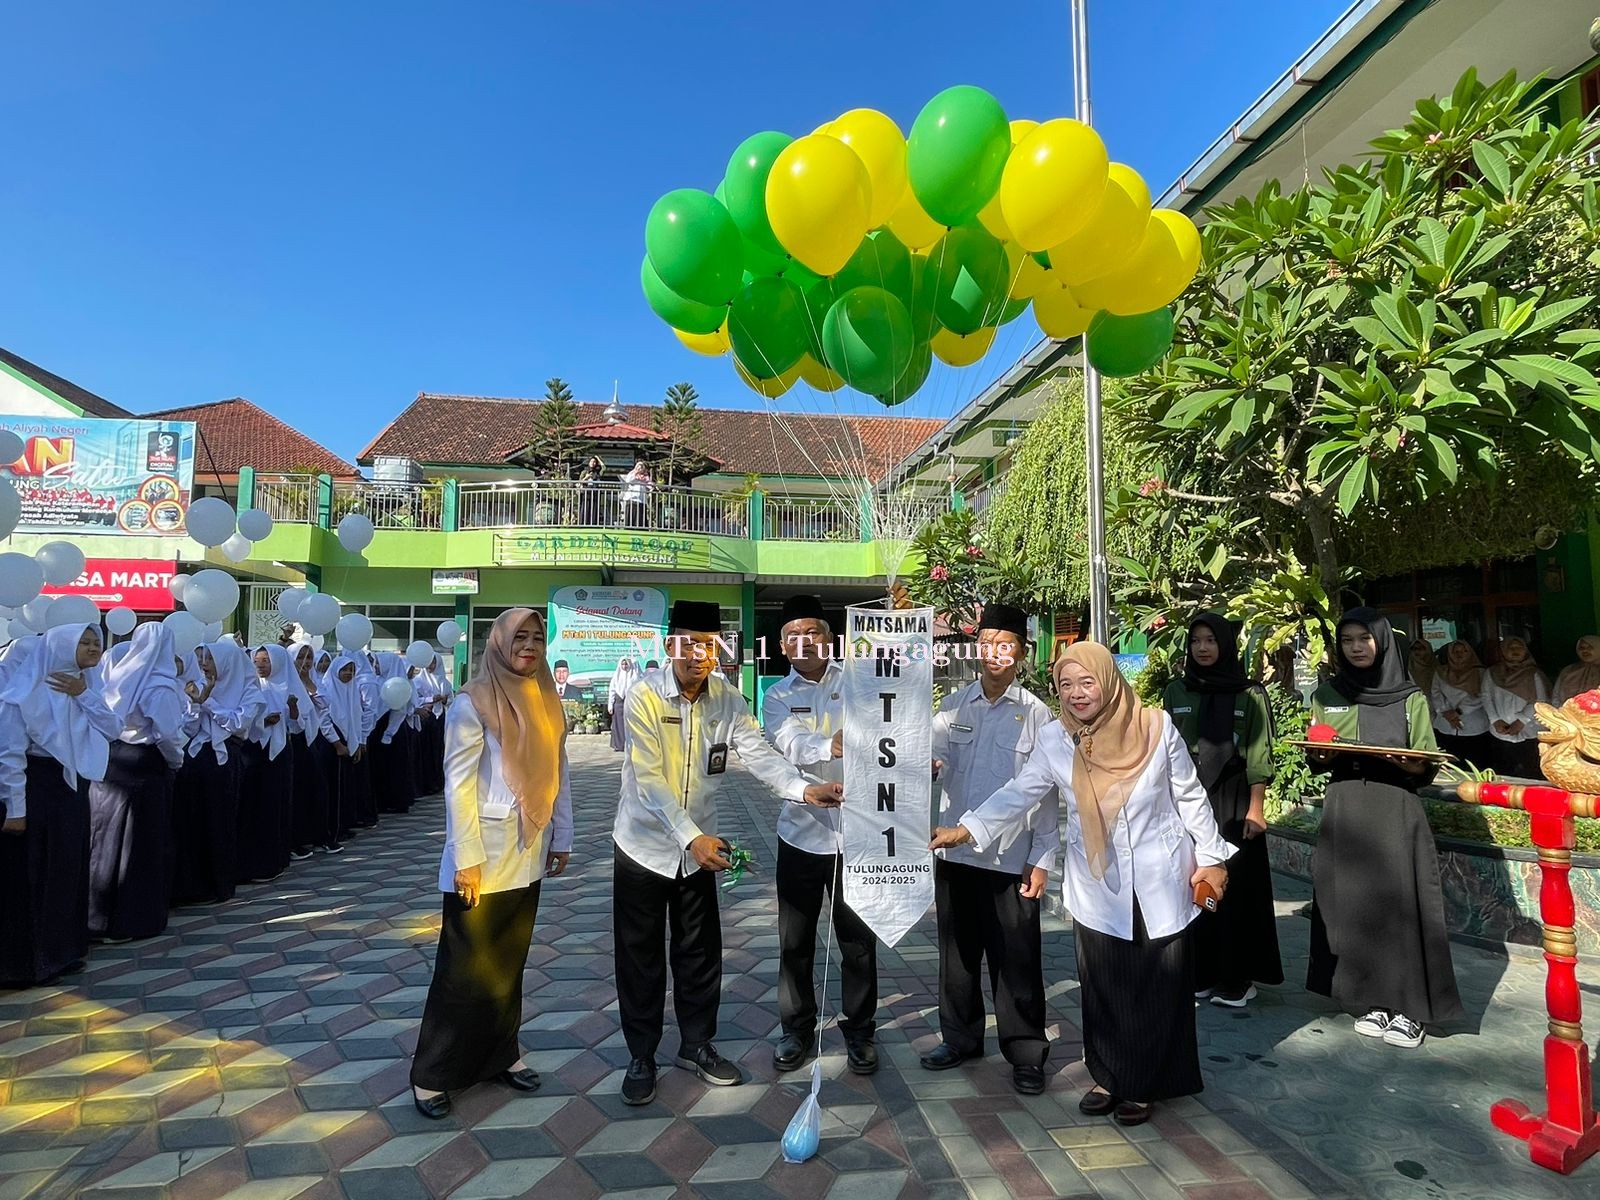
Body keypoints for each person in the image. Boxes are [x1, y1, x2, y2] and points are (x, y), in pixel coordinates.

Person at [931, 641, 1232, 1125]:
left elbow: (1191, 796)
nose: (1076, 693)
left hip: (1160, 875)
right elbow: (1020, 793)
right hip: (1099, 882)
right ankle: (1109, 1074)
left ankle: (1143, 1083)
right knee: (1103, 981)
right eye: (1065, 684)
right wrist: (968, 829)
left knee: (1155, 981)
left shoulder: (1155, 726)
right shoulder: (1056, 739)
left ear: (1108, 680)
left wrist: (1213, 857)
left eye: (1086, 681)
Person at [613, 600, 843, 1106]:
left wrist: (803, 790)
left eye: (708, 644)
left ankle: (697, 1045)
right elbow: (649, 780)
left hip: (701, 849)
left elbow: (760, 755)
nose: (697, 654)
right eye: (687, 643)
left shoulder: (729, 700)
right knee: (640, 955)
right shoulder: (644, 695)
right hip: (645, 848)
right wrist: (689, 836)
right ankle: (642, 1055)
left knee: (699, 953)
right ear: (670, 645)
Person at [411, 609, 572, 1119]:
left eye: (537, 638)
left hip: (528, 849)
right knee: (464, 969)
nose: (529, 646)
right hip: (482, 855)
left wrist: (561, 833)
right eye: (519, 637)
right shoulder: (472, 702)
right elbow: (457, 786)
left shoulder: (546, 699)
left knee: (509, 962)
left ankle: (503, 1054)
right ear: (498, 643)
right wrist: (467, 859)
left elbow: (558, 771)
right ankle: (431, 1075)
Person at [1306, 608, 1462, 1049]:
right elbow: (1315, 751)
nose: (1356, 647)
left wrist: (1405, 761)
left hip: (1395, 806)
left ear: (1381, 642)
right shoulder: (1328, 694)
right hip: (1346, 805)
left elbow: (1424, 760)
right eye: (1348, 640)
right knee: (1353, 905)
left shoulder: (1409, 696)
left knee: (1403, 905)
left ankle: (1411, 1010)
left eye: (1364, 639)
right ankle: (1372, 998)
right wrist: (1321, 754)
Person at [923, 603, 1058, 1094]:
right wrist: (928, 766)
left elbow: (1044, 794)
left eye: (1005, 644)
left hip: (1009, 858)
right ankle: (959, 1039)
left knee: (1016, 959)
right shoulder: (954, 706)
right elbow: (929, 755)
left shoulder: (1038, 715)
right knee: (956, 955)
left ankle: (1025, 1051)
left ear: (1021, 652)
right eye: (986, 642)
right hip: (954, 854)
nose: (994, 653)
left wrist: (1042, 860)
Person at [761, 595, 880, 1077]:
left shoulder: (862, 683)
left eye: (813, 633)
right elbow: (787, 742)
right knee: (795, 941)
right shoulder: (775, 696)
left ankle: (860, 1032)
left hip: (857, 836)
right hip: (801, 835)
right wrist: (827, 744)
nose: (804, 642)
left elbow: (892, 729)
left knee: (857, 942)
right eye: (794, 635)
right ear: (783, 646)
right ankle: (797, 1030)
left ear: (831, 641)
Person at [1162, 613, 1282, 1008]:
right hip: (1188, 796)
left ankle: (1238, 978)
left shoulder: (1250, 694)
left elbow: (1259, 754)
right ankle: (1201, 971)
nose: (1202, 648)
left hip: (1233, 800)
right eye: (1196, 640)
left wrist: (1256, 808)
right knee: (1192, 881)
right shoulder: (1177, 691)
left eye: (1211, 640)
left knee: (1237, 886)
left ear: (1225, 645)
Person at [0, 622, 120, 985]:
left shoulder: (87, 685)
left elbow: (112, 728)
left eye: (95, 642)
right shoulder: (21, 693)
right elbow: (10, 757)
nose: (92, 648)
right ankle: (32, 961)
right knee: (35, 875)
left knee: (67, 869)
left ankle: (64, 951)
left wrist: (83, 694)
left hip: (72, 788)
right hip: (39, 789)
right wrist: (16, 810)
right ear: (60, 647)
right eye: (83, 642)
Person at [88, 622, 186, 942]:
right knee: (138, 845)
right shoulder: (160, 685)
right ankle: (131, 919)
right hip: (143, 765)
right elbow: (168, 734)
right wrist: (175, 762)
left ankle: (100, 917)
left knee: (106, 841)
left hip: (112, 762)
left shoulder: (120, 676)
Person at [172, 640, 264, 905]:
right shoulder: (200, 687)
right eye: (202, 658)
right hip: (196, 759)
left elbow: (238, 723)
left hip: (224, 761)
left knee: (218, 820)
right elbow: (188, 728)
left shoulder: (249, 691)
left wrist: (208, 702)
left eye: (210, 659)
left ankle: (217, 883)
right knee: (191, 821)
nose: (204, 664)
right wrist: (195, 703)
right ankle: (190, 884)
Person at [238, 645, 295, 882]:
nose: (261, 665)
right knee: (253, 807)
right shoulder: (247, 687)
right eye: (257, 660)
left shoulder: (286, 687)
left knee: (274, 805)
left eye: (266, 660)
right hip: (253, 753)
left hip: (278, 754)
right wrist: (263, 720)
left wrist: (293, 709)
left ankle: (274, 858)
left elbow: (299, 723)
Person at [289, 643, 338, 855]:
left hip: (313, 740)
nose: (306, 663)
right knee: (297, 792)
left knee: (317, 790)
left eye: (309, 658)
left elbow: (326, 703)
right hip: (294, 742)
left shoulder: (314, 681)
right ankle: (297, 840)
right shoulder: (286, 682)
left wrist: (308, 682)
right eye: (301, 658)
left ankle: (320, 836)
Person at [320, 654, 373, 843]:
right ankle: (333, 830)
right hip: (333, 743)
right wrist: (337, 743)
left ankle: (343, 825)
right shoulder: (326, 689)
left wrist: (358, 742)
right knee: (335, 789)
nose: (348, 674)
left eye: (351, 670)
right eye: (344, 670)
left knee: (346, 787)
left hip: (348, 743)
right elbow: (324, 719)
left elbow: (356, 718)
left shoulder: (350, 691)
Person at [1483, 636, 1550, 779]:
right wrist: (1495, 720)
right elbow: (1486, 696)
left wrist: (1521, 721)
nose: (1514, 651)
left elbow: (1540, 700)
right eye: (1510, 648)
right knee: (1504, 773)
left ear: (1525, 651)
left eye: (1518, 647)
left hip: (1529, 731)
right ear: (1503, 651)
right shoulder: (1492, 672)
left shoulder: (1534, 673)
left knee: (1531, 773)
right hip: (1500, 730)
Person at [1429, 640, 1494, 769]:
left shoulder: (1481, 673)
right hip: (1445, 724)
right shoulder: (1441, 671)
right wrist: (1445, 712)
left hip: (1474, 726)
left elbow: (1482, 695)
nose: (1459, 655)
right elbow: (1435, 693)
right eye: (1455, 651)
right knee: (1449, 766)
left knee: (1475, 765)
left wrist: (1458, 711)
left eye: (1463, 651)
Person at [1552, 635, 1600, 705]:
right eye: (1582, 648)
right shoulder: (1569, 670)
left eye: (1590, 647)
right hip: (1568, 713)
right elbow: (1556, 697)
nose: (1585, 650)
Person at [608, 656, 639, 753]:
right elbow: (612, 690)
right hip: (619, 702)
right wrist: (610, 705)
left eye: (626, 664)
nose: (624, 666)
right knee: (618, 725)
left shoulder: (634, 675)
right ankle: (619, 745)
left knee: (631, 724)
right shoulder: (617, 676)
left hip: (631, 702)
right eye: (622, 664)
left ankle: (631, 745)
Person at [622, 460, 653, 529]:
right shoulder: (632, 474)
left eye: (641, 467)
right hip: (632, 499)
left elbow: (649, 485)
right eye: (639, 467)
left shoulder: (646, 477)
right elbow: (628, 480)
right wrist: (636, 473)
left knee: (641, 517)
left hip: (641, 500)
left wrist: (652, 487)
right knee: (631, 517)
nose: (640, 469)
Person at [578, 455, 606, 526]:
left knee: (594, 509)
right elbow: (580, 482)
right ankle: (583, 524)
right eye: (591, 461)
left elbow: (604, 468)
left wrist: (598, 458)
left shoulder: (597, 472)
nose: (593, 463)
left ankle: (593, 524)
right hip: (586, 492)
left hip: (595, 493)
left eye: (594, 462)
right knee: (585, 508)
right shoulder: (584, 471)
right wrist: (586, 478)